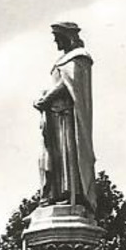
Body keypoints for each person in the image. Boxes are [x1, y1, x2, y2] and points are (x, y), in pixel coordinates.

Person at [34, 21, 97, 210]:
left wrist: (46, 98)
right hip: (54, 115)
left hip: (67, 117)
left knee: (68, 151)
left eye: (57, 38)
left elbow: (69, 85)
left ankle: (70, 193)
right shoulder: (65, 59)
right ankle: (54, 193)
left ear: (67, 37)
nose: (56, 43)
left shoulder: (79, 57)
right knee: (55, 155)